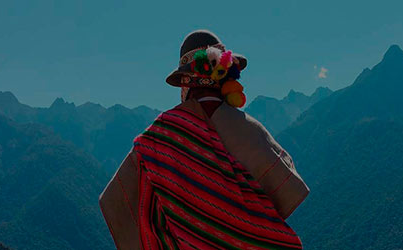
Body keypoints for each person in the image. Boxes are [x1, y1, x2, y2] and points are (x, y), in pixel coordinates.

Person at [99, 29, 309, 250]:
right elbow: (287, 192)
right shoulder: (250, 130)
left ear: (186, 82)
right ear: (224, 77)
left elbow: (117, 201)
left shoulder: (159, 136)